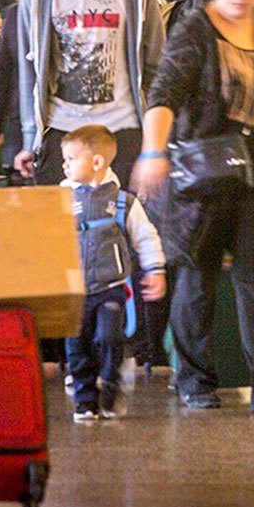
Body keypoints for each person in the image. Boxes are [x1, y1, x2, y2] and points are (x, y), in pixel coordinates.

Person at [133, 0, 254, 413]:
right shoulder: (196, 29)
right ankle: (193, 378)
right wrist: (152, 151)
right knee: (198, 275)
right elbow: (165, 93)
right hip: (206, 174)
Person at [16, 0, 166, 187]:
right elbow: (28, 72)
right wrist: (29, 136)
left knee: (122, 226)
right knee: (60, 229)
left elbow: (156, 63)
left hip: (122, 130)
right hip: (61, 130)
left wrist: (154, 140)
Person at [61, 125, 166, 421]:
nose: (64, 165)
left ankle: (110, 383)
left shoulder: (122, 202)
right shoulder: (62, 199)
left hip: (111, 286)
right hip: (75, 289)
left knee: (110, 338)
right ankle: (85, 400)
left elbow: (146, 237)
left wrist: (155, 270)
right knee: (76, 346)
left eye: (71, 158)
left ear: (96, 162)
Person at [0, 0, 61, 170]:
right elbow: (4, 71)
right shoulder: (15, 15)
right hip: (21, 114)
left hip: (59, 117)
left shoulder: (70, 14)